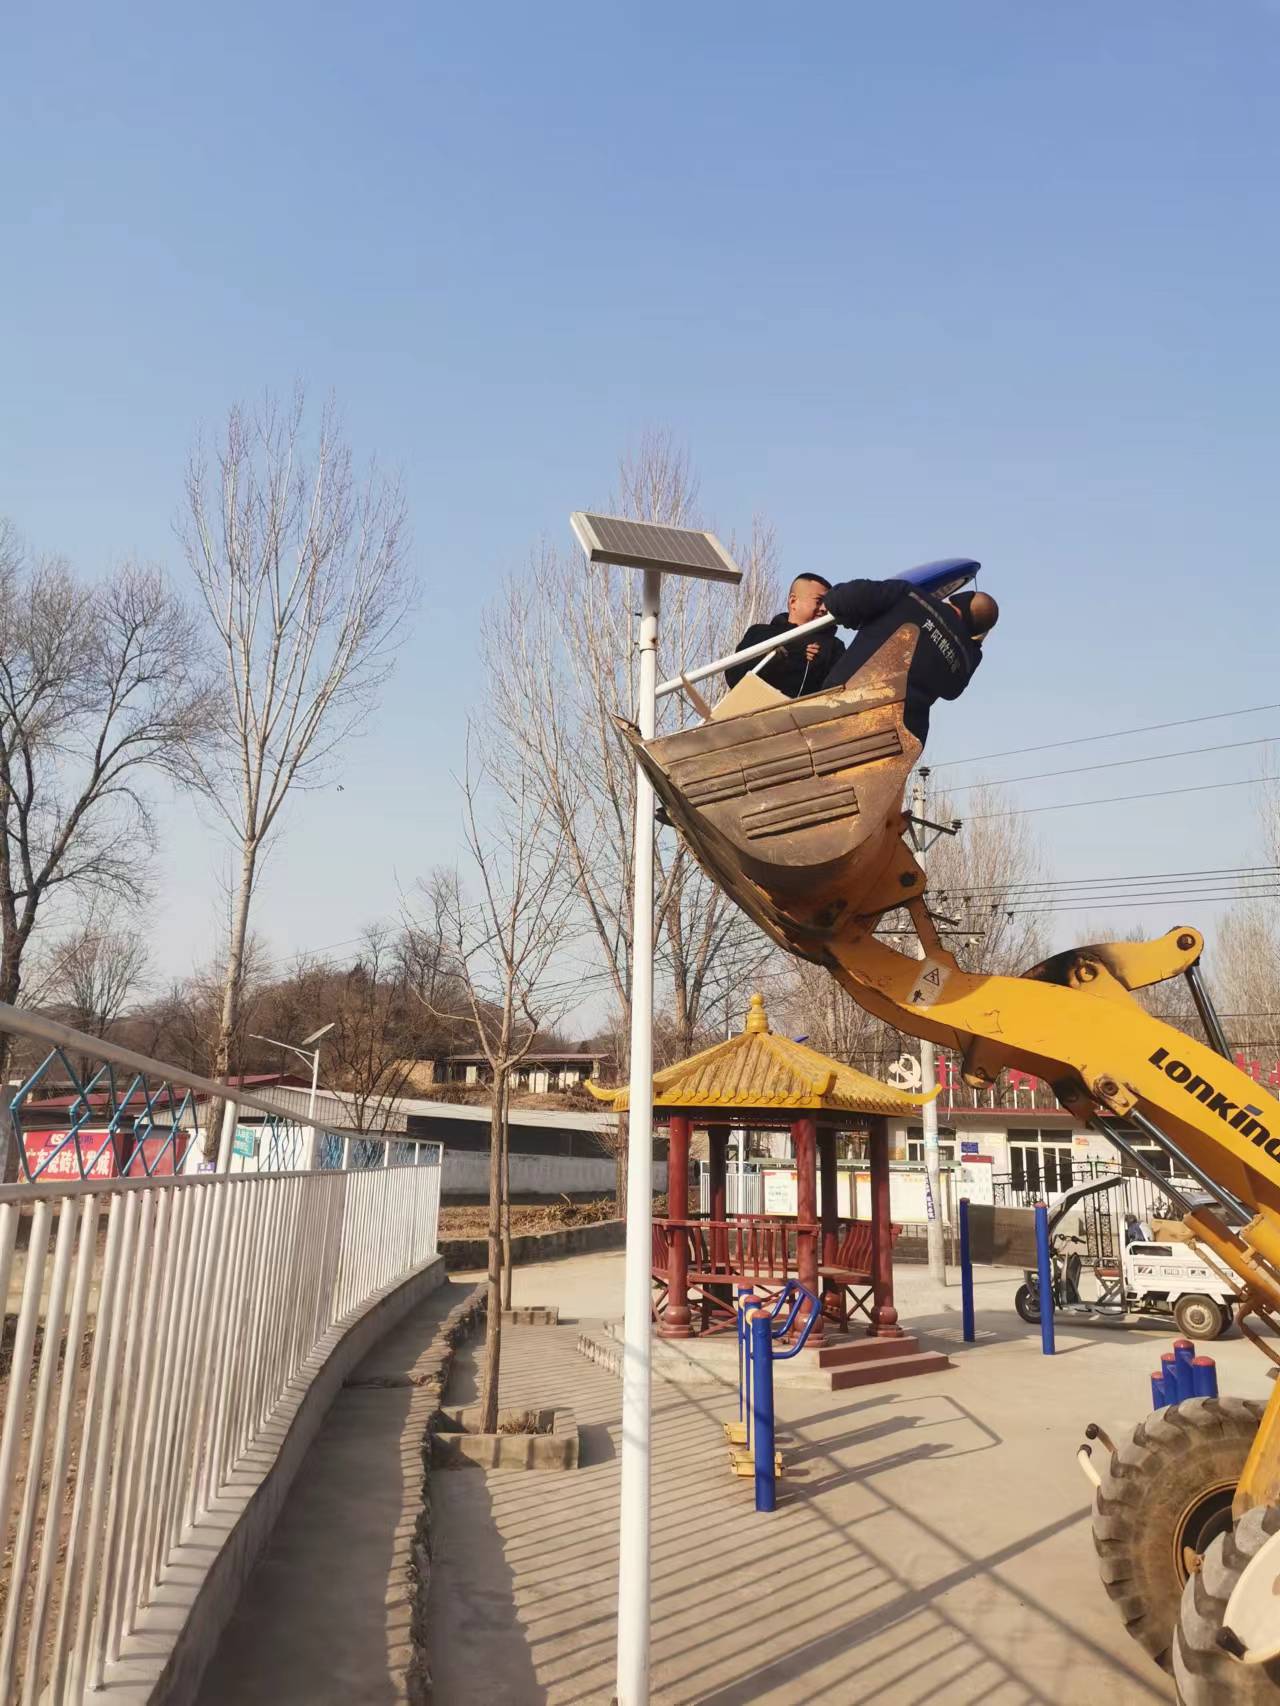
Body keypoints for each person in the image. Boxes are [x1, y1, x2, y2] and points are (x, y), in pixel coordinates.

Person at [819, 577, 1000, 745]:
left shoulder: (910, 596)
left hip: (845, 705)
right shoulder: (965, 658)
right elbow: (953, 692)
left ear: (961, 596)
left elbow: (842, 599)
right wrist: (975, 645)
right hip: (900, 737)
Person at [724, 573, 847, 699]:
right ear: (793, 601)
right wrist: (786, 652)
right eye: (819, 601)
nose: (824, 608)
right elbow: (734, 676)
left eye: (828, 603)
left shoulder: (834, 647)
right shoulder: (760, 633)